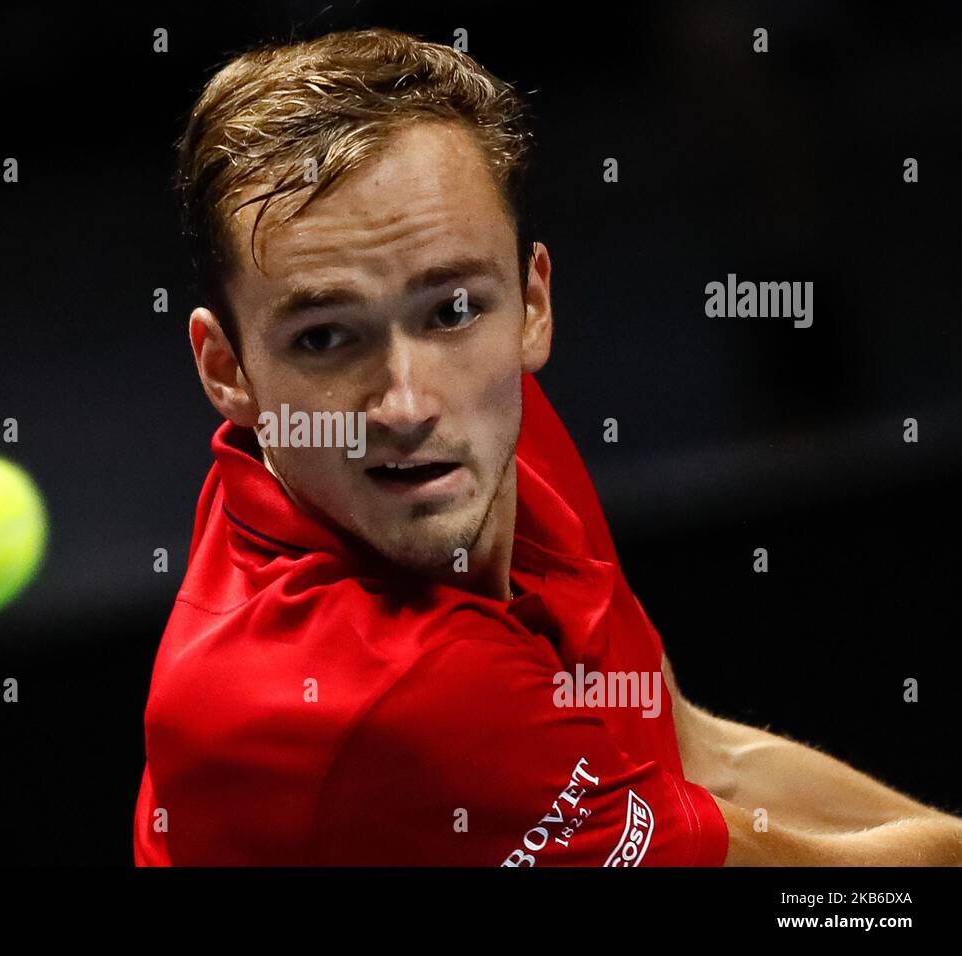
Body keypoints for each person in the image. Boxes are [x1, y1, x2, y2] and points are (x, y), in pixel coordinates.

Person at [133, 27, 961, 866]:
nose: (409, 405)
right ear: (227, 369)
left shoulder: (485, 440)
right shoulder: (389, 700)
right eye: (324, 340)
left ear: (531, 307)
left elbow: (704, 758)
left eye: (451, 310)